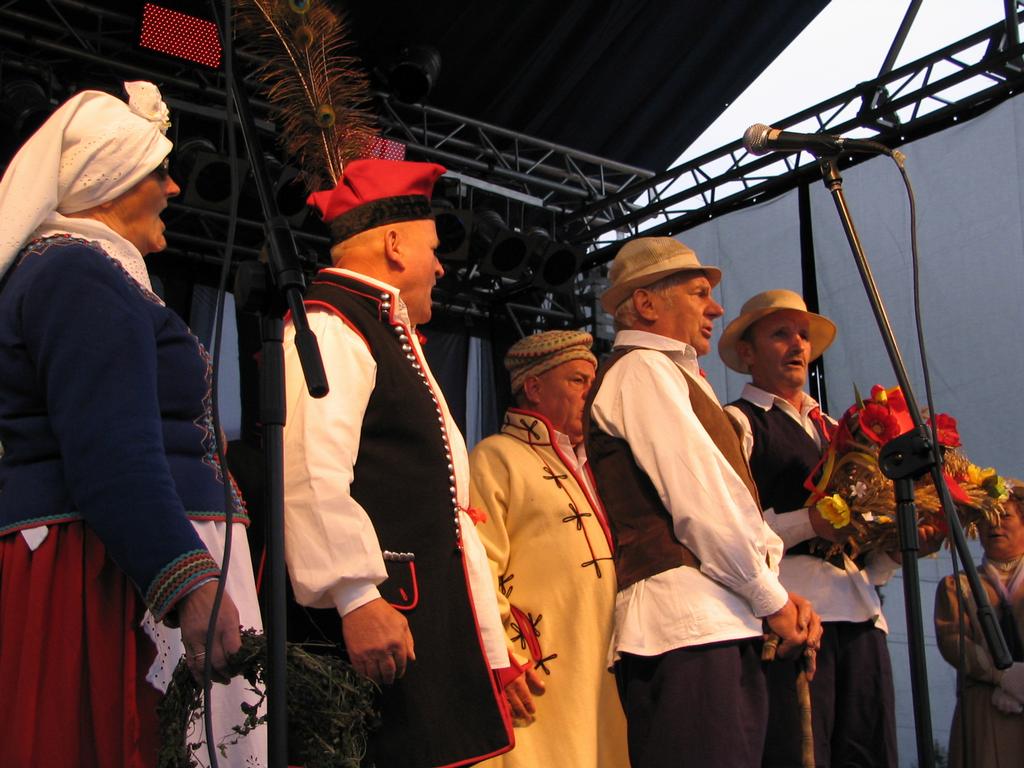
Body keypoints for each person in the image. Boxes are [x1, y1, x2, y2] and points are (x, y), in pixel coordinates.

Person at [0, 82, 264, 767]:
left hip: (119, 554)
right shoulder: (77, 273)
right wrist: (187, 579)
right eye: (158, 173)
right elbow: (110, 448)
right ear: (109, 182)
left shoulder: (87, 274)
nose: (174, 189)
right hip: (103, 569)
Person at [282, 158, 513, 768]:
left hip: (418, 611)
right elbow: (309, 473)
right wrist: (356, 596)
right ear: (393, 244)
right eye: (433, 249)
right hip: (385, 614)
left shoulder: (375, 326)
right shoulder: (332, 325)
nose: (440, 267)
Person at [583, 236, 822, 768]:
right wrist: (772, 599)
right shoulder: (642, 369)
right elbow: (702, 503)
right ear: (646, 303)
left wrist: (774, 591)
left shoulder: (673, 376)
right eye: (698, 293)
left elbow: (726, 502)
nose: (715, 308)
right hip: (685, 627)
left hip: (717, 621)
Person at [720, 289, 902, 768]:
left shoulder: (834, 428)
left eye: (803, 335)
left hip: (859, 610)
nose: (797, 344)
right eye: (780, 334)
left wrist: (895, 548)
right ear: (747, 352)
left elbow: (864, 546)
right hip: (793, 612)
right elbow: (728, 524)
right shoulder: (738, 422)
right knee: (800, 751)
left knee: (868, 750)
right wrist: (810, 522)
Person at [470, 330, 629, 768]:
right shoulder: (495, 457)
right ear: (534, 387)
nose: (590, 393)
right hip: (538, 669)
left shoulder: (597, 464)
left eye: (593, 382)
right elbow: (477, 566)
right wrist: (502, 657)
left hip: (605, 669)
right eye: (578, 380)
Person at [935, 479, 1024, 768]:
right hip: (982, 709)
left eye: (1005, 516)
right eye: (986, 517)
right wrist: (1003, 677)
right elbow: (954, 641)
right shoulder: (956, 585)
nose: (994, 524)